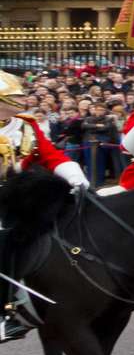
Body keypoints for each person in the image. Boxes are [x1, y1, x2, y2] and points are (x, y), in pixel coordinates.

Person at [2, 70, 91, 340]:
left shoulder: (26, 125)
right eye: (14, 97)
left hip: (18, 194)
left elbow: (51, 156)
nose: (22, 100)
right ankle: (5, 311)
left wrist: (75, 177)